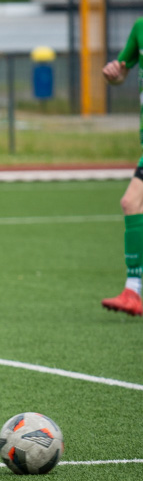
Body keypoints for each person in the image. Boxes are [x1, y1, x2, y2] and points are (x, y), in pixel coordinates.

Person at [102, 17, 143, 317]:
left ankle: (134, 290)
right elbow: (121, 74)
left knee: (132, 201)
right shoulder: (140, 27)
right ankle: (133, 292)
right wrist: (113, 72)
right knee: (132, 203)